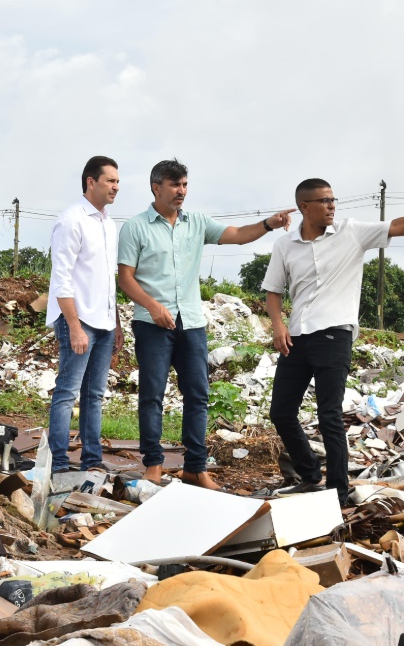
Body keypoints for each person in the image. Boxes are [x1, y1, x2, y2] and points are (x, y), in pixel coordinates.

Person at [264, 178, 404, 505]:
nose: (332, 205)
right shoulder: (285, 246)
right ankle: (308, 476)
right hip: (296, 337)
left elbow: (398, 226)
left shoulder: (351, 231)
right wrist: (278, 325)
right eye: (324, 201)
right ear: (305, 207)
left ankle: (337, 491)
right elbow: (273, 291)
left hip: (335, 335)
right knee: (280, 412)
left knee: (329, 415)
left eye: (333, 199)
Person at [118, 158, 295, 490]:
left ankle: (195, 468)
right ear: (156, 187)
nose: (181, 191)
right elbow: (125, 278)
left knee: (198, 396)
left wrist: (268, 224)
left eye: (184, 184)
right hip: (152, 325)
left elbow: (240, 236)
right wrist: (152, 305)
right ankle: (153, 465)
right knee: (152, 396)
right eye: (174, 185)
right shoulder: (135, 227)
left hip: (192, 324)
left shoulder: (196, 223)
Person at [46, 156, 125, 474]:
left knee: (94, 395)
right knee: (67, 392)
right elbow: (61, 279)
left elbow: (108, 279)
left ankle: (92, 460)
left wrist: (117, 323)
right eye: (110, 181)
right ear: (91, 182)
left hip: (104, 323)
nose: (116, 187)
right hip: (77, 321)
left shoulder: (109, 223)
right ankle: (59, 462)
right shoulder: (72, 220)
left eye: (118, 181)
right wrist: (75, 327)